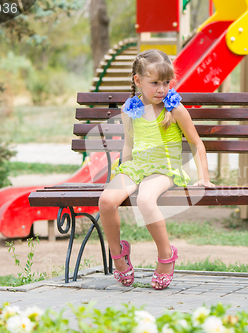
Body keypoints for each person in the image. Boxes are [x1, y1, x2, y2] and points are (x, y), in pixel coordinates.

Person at [98, 49, 215, 290]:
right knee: (107, 200)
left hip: (164, 168)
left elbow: (196, 143)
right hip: (136, 166)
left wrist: (204, 177)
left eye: (165, 82)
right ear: (138, 81)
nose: (161, 89)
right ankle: (118, 254)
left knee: (145, 200)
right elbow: (128, 144)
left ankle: (166, 255)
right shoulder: (130, 109)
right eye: (154, 83)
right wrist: (123, 172)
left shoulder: (175, 109)